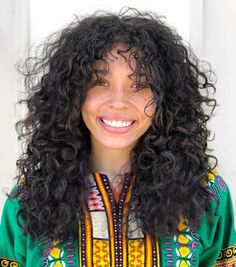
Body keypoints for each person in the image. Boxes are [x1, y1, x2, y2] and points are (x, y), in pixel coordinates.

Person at [0, 7, 235, 267]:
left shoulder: (207, 196)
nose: (119, 102)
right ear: (71, 93)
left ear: (166, 99)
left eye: (140, 85)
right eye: (100, 82)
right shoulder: (28, 200)